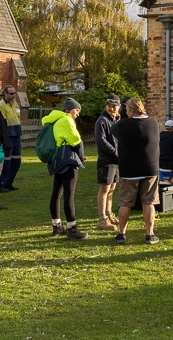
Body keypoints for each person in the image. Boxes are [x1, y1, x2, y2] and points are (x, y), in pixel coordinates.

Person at [110, 98, 161, 245]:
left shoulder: (123, 124)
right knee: (149, 202)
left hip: (129, 169)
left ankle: (122, 234)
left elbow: (114, 130)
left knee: (125, 202)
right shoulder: (153, 122)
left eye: (126, 109)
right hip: (150, 168)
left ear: (131, 110)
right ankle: (149, 234)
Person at [43, 98, 88, 239]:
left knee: (57, 193)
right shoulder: (67, 120)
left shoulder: (54, 119)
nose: (77, 114)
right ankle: (72, 228)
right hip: (67, 160)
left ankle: (57, 226)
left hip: (56, 160)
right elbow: (76, 141)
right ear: (69, 109)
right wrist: (81, 158)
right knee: (69, 195)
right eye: (76, 110)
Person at [95, 95, 121, 231]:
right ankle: (102, 218)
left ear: (119, 107)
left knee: (112, 189)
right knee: (105, 189)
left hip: (117, 160)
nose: (111, 109)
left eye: (114, 106)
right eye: (109, 106)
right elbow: (101, 140)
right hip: (106, 160)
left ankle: (109, 213)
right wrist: (115, 152)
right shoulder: (102, 120)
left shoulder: (119, 119)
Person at [0, 85, 22, 193]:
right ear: (5, 94)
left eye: (14, 93)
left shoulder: (15, 104)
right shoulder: (1, 105)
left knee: (16, 161)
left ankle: (8, 183)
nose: (13, 95)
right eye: (11, 94)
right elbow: (2, 122)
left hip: (17, 135)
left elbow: (18, 118)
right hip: (8, 136)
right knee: (7, 162)